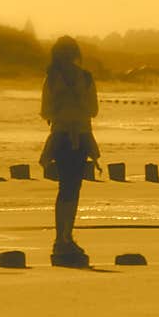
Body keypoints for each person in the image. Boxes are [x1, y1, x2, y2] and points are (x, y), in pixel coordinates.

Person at [39, 36, 100, 266]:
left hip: (60, 137)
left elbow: (46, 111)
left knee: (66, 188)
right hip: (81, 137)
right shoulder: (85, 78)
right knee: (72, 189)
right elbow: (93, 110)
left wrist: (62, 106)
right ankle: (65, 237)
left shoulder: (52, 78)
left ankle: (62, 237)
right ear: (76, 53)